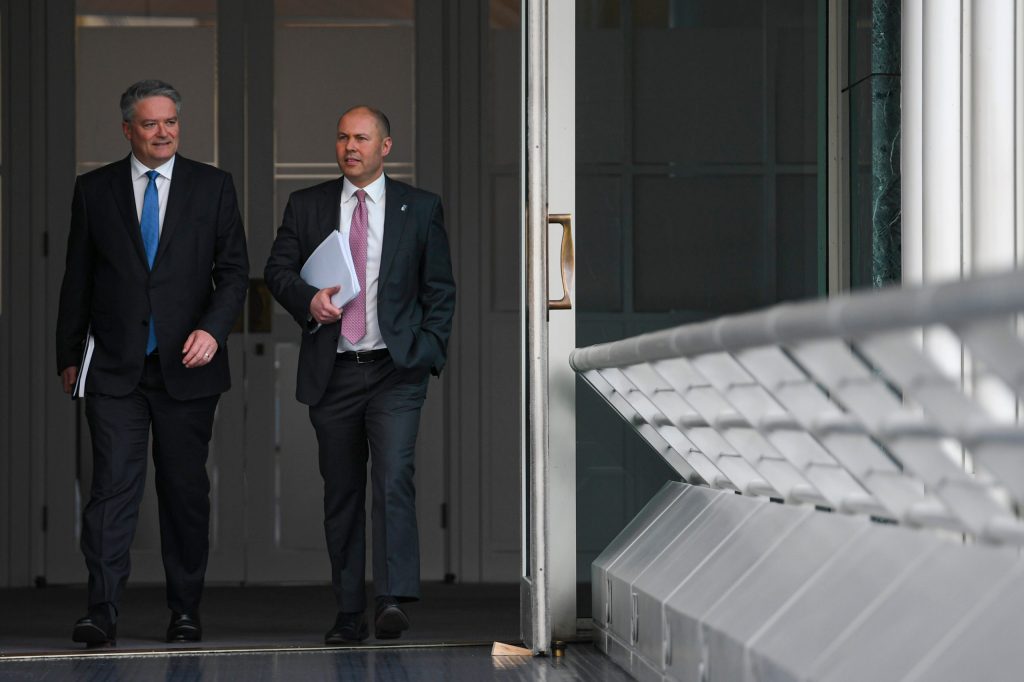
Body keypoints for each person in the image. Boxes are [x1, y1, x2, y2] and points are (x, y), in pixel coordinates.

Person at [55, 80, 249, 647]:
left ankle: (185, 611)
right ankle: (102, 611)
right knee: (112, 488)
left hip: (187, 369)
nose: (162, 132)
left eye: (170, 122)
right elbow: (78, 279)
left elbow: (233, 273)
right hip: (113, 368)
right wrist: (69, 353)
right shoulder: (93, 190)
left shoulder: (212, 187)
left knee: (184, 491)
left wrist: (213, 332)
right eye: (149, 124)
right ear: (127, 130)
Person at [264, 105, 455, 644]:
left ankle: (390, 598)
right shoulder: (307, 205)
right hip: (334, 372)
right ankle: (349, 610)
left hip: (396, 371)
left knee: (393, 477)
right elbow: (277, 271)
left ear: (385, 147)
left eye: (362, 138)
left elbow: (440, 290)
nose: (351, 147)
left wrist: (428, 351)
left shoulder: (419, 209)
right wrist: (309, 301)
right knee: (342, 493)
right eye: (343, 137)